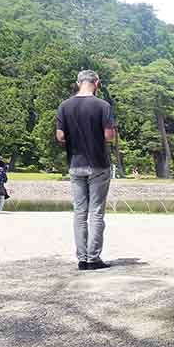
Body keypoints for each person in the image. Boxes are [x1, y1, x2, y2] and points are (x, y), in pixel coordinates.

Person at [56, 69, 116, 271]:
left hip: (75, 163)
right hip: (98, 163)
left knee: (79, 212)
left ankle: (82, 258)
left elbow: (60, 136)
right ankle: (93, 258)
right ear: (96, 83)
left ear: (78, 82)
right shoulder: (103, 106)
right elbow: (109, 136)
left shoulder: (64, 106)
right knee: (96, 213)